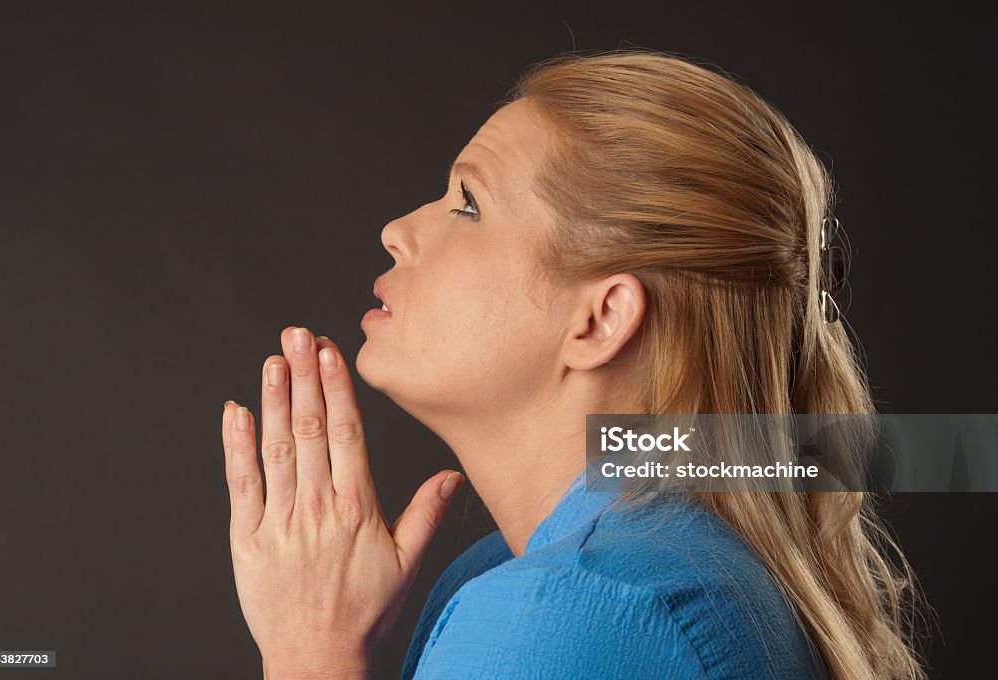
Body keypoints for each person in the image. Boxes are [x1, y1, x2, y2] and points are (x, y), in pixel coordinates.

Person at [220, 49, 925, 679]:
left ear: (600, 319)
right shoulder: (593, 570)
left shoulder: (578, 609)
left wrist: (311, 651)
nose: (398, 231)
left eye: (469, 204)